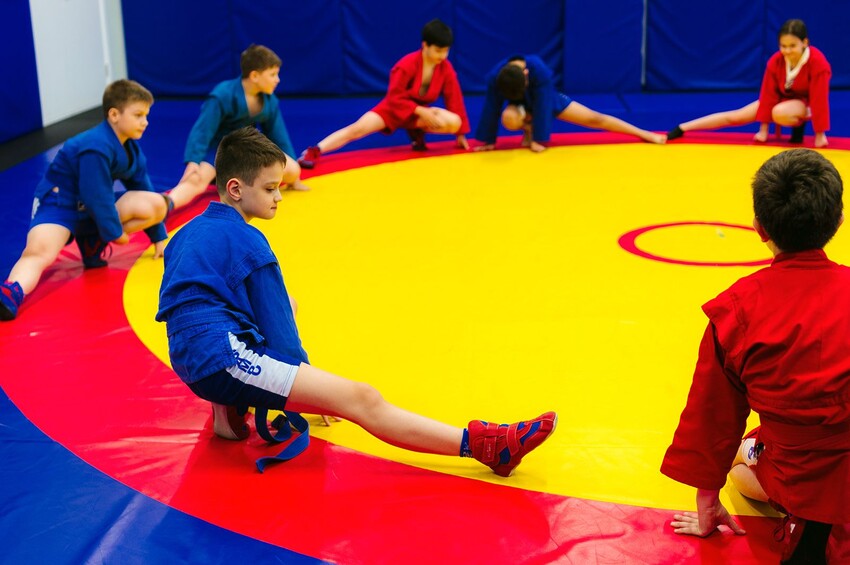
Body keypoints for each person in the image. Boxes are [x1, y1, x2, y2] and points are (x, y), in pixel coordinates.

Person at [156, 127, 556, 476]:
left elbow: (184, 303)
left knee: (281, 303)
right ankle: (487, 446)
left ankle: (225, 407)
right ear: (235, 188)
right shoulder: (250, 241)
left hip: (190, 355)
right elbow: (282, 340)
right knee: (360, 398)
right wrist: (307, 391)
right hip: (220, 357)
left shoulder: (187, 233)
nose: (280, 197)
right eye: (270, 188)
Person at [661, 148, 850, 563]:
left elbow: (712, 416)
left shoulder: (738, 309)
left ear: (759, 227)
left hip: (798, 475)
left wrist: (707, 503)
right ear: (837, 220)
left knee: (743, 468)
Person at [0, 79, 169, 322]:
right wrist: (113, 233)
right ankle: (12, 291)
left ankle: (92, 240)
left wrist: (159, 237)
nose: (145, 121)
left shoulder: (131, 150)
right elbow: (95, 195)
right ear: (114, 114)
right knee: (39, 252)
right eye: (138, 115)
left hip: (89, 209)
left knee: (155, 204)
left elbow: (143, 186)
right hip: (60, 205)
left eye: (146, 115)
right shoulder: (95, 145)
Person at [297, 19, 470, 169]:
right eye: (439, 51)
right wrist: (419, 110)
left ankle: (416, 133)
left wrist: (460, 134)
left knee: (454, 121)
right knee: (357, 130)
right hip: (393, 110)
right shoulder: (406, 65)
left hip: (417, 116)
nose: (443, 55)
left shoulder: (445, 68)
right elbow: (394, 98)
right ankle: (314, 150)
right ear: (425, 45)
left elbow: (454, 97)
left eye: (446, 51)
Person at [167, 44, 308, 210]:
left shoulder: (269, 100)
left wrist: (292, 171)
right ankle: (166, 205)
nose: (278, 80)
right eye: (273, 75)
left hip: (246, 148)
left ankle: (238, 179)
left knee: (292, 169)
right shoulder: (223, 95)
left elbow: (279, 136)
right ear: (255, 75)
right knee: (196, 180)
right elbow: (203, 131)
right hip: (219, 150)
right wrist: (193, 161)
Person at [667, 19, 831, 148]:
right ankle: (683, 127)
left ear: (805, 42)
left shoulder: (818, 64)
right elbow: (768, 94)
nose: (787, 51)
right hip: (780, 101)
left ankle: (798, 128)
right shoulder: (776, 61)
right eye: (783, 46)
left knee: (780, 112)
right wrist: (763, 130)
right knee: (736, 116)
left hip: (805, 104)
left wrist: (819, 134)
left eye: (792, 46)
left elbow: (819, 99)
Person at [474, 55, 666, 152]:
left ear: (526, 75)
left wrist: (538, 139)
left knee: (594, 118)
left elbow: (544, 105)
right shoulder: (496, 77)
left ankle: (643, 133)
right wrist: (488, 141)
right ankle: (527, 128)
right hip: (519, 103)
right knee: (508, 118)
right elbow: (492, 106)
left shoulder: (537, 69)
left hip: (547, 97)